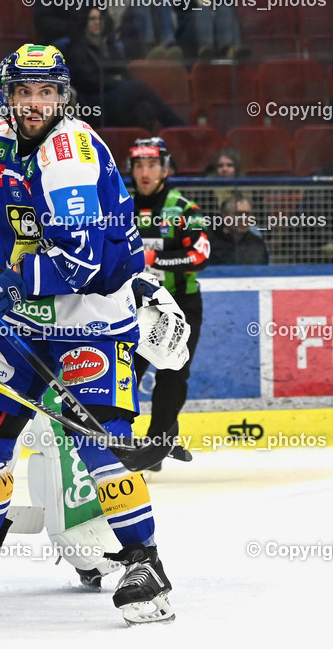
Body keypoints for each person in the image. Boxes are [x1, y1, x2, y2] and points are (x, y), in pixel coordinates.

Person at [0, 44, 175, 625]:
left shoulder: (70, 154)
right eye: (25, 92)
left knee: (99, 444)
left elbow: (77, 261)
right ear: (7, 93)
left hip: (90, 319)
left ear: (62, 96)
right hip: (25, 321)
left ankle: (145, 564)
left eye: (46, 93)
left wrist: (0, 284)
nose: (35, 104)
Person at [128, 136, 208, 468]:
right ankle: (123, 440)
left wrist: (154, 258)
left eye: (152, 165)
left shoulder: (183, 208)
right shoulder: (121, 206)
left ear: (165, 168)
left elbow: (200, 255)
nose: (145, 173)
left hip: (182, 305)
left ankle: (158, 444)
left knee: (173, 374)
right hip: (138, 307)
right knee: (127, 372)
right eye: (138, 165)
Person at [63, 7, 186, 132]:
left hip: (114, 96)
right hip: (94, 103)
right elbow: (90, 81)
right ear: (85, 22)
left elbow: (123, 72)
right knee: (139, 87)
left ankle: (144, 148)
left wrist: (120, 84)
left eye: (100, 19)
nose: (97, 22)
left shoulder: (109, 45)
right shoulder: (77, 48)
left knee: (145, 109)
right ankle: (180, 130)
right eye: (92, 19)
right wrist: (119, 84)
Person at [168, 0, 246, 60]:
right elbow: (181, 8)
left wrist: (213, 8)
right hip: (191, 24)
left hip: (217, 21)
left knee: (225, 10)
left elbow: (226, 0)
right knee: (204, 10)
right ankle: (206, 49)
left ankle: (229, 49)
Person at [110, 0, 182, 60]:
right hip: (131, 38)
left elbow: (174, 22)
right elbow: (117, 23)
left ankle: (168, 45)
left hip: (159, 35)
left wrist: (154, 2)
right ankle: (149, 45)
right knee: (142, 0)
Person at [207, 193, 269, 265]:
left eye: (247, 214)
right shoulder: (208, 240)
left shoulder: (256, 243)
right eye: (238, 214)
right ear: (224, 216)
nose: (244, 219)